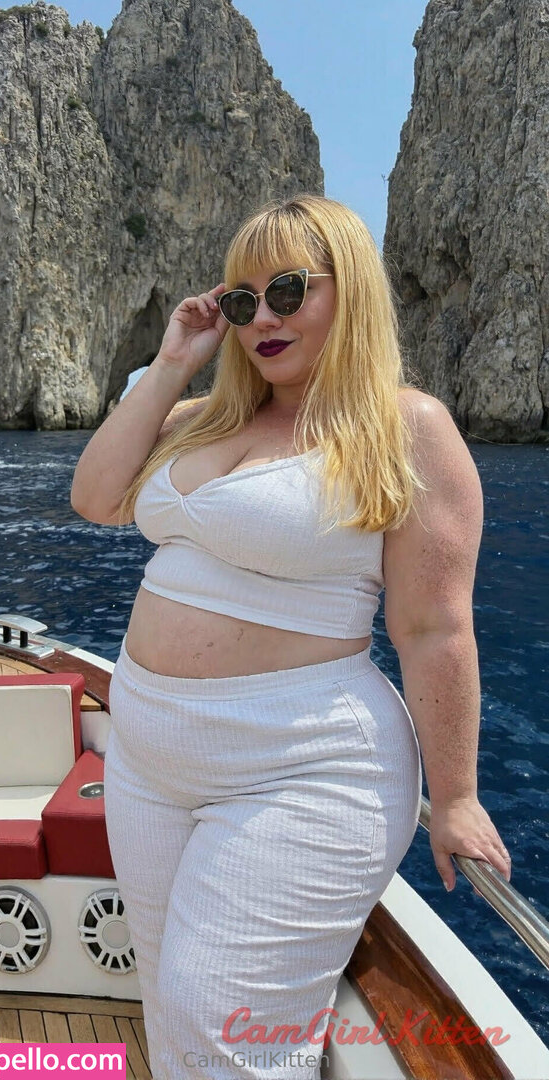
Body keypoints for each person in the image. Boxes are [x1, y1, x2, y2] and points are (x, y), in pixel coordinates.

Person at [70, 193, 511, 1080]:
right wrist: (171, 362)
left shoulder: (405, 427)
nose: (261, 319)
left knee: (220, 1028)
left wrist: (457, 796)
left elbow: (431, 627)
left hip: (300, 765)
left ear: (349, 290)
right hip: (149, 755)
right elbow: (97, 496)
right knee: (167, 1005)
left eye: (286, 291)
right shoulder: (204, 417)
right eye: (242, 302)